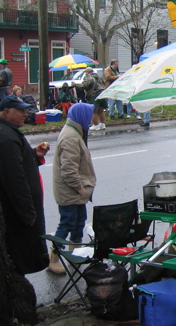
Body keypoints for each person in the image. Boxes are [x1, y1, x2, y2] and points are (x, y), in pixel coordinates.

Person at [0, 95, 50, 323]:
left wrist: (33, 154)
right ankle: (18, 306)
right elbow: (15, 178)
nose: (24, 114)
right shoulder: (6, 137)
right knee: (19, 255)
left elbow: (19, 162)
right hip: (18, 215)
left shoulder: (11, 134)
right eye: (19, 111)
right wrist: (28, 212)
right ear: (6, 112)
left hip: (23, 211)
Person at [50, 103, 97, 274]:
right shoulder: (71, 137)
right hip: (70, 192)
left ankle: (74, 253)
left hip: (76, 192)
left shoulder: (76, 132)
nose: (93, 118)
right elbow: (69, 170)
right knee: (67, 223)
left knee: (78, 223)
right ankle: (53, 258)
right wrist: (80, 189)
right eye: (91, 114)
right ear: (83, 116)